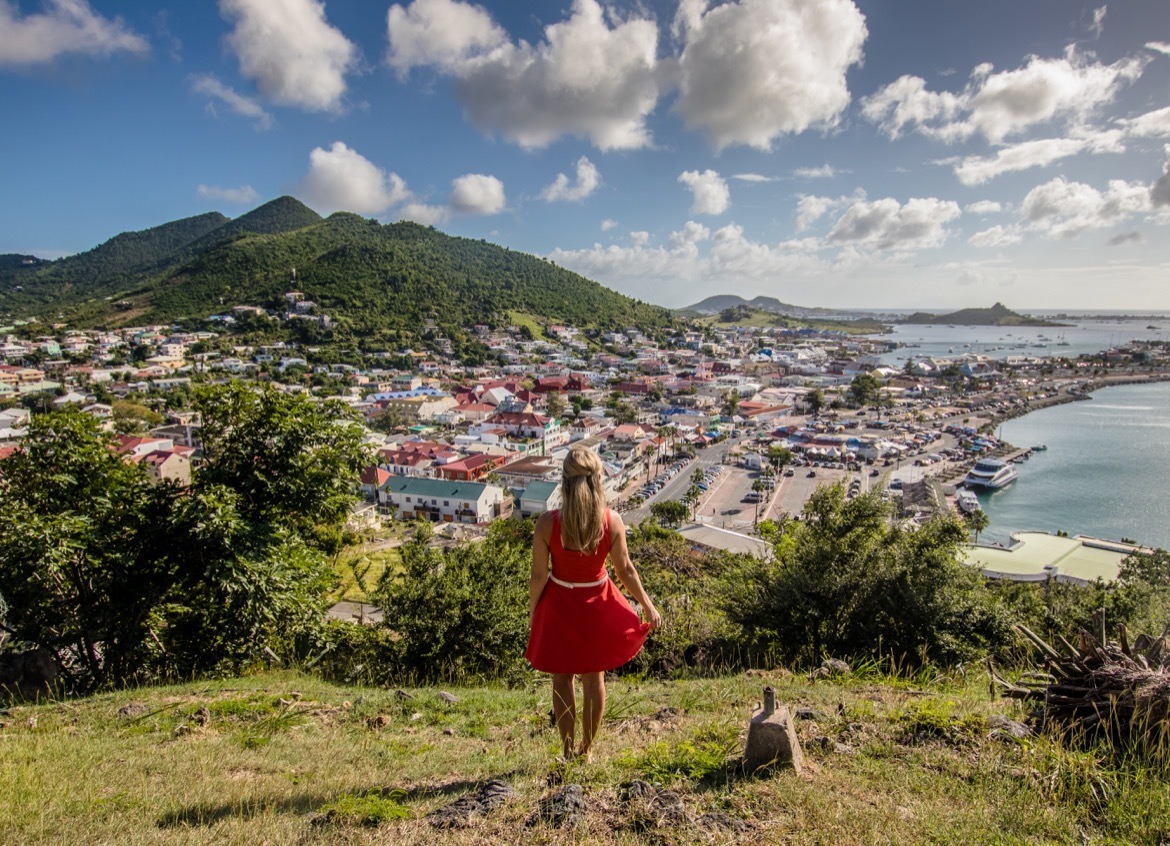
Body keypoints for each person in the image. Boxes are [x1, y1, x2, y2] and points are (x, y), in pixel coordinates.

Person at [526, 446, 662, 761]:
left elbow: (537, 576)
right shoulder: (611, 521)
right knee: (593, 677)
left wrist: (535, 610)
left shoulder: (548, 523)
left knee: (562, 677)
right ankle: (586, 750)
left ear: (564, 481)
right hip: (597, 602)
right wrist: (648, 605)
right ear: (598, 479)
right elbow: (625, 569)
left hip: (560, 604)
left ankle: (566, 749)